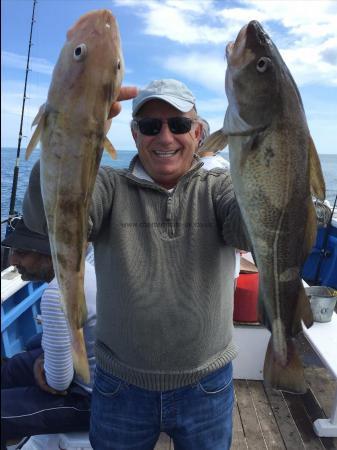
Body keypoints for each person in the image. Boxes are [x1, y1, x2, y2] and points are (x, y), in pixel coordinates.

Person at [22, 79, 250, 450]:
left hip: (207, 384)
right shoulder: (108, 186)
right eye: (149, 126)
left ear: (198, 131)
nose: (165, 137)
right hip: (119, 386)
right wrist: (65, 138)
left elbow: (249, 231)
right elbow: (45, 219)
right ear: (133, 133)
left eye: (177, 125)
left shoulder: (219, 188)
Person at [1, 219, 96, 449]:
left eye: (22, 253)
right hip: (89, 371)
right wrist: (44, 360)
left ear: (48, 254)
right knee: (12, 368)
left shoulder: (58, 293)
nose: (13, 261)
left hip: (92, 399)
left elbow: (59, 382)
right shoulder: (87, 267)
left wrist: (41, 366)